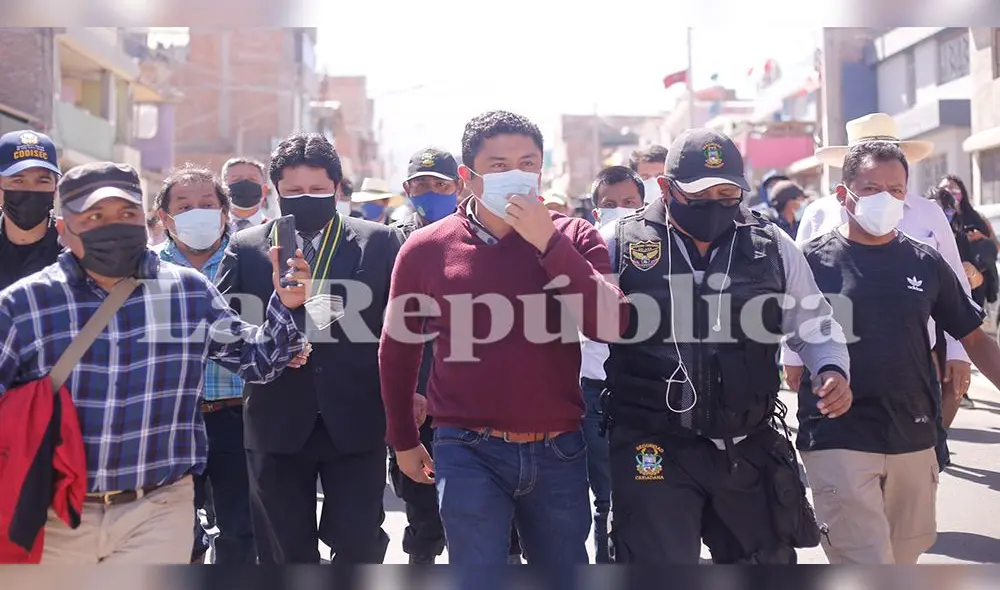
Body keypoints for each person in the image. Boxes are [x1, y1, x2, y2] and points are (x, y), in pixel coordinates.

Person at [0, 161, 309, 563]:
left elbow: (259, 361)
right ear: (64, 228)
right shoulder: (24, 305)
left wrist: (286, 306)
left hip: (159, 509)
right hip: (53, 511)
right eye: (95, 216)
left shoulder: (187, 292)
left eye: (126, 213)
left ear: (145, 221)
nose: (112, 225)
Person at [380, 110, 629, 565]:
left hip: (558, 445)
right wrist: (403, 439)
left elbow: (609, 324)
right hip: (465, 447)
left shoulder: (575, 235)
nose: (515, 175)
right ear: (467, 176)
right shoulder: (427, 248)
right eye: (497, 166)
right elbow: (398, 349)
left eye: (527, 163)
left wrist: (549, 244)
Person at [603, 128, 852, 565]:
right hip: (653, 448)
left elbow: (815, 324)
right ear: (665, 187)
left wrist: (831, 367)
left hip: (747, 445)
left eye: (727, 192)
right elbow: (578, 336)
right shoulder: (619, 243)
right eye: (699, 194)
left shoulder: (771, 245)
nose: (715, 204)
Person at [783, 141, 1000, 564]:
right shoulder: (808, 261)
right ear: (843, 195)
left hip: (913, 435)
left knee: (901, 563)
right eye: (871, 189)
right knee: (866, 565)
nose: (886, 199)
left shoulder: (925, 261)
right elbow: (779, 334)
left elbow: (975, 339)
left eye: (896, 190)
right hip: (836, 436)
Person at [215, 132, 399, 564]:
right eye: (293, 191)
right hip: (276, 420)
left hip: (356, 418)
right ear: (275, 191)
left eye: (317, 189)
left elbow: (405, 327)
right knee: (284, 554)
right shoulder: (245, 247)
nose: (306, 198)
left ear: (337, 187)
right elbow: (223, 326)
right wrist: (272, 342)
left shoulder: (379, 241)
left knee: (360, 547)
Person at [798, 113, 972, 471]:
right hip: (837, 358)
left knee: (916, 465)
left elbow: (955, 279)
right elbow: (797, 288)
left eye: (893, 188)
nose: (884, 197)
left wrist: (958, 352)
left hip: (912, 360)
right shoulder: (819, 213)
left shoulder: (929, 214)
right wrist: (792, 359)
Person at [157, 165, 282, 565]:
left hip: (237, 417)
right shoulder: (144, 271)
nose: (198, 213)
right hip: (172, 421)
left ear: (225, 213)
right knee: (174, 532)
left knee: (241, 530)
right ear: (165, 217)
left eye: (208, 205)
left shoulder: (255, 260)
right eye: (185, 205)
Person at [579, 165, 646, 563]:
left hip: (648, 387)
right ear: (595, 212)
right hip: (595, 388)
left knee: (649, 488)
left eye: (629, 203)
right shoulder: (585, 254)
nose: (620, 211)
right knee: (605, 493)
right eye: (609, 204)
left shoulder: (664, 255)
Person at [0, 130, 62, 292]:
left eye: (42, 181)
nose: (30, 191)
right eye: (18, 180)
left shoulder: (75, 250)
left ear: (55, 189)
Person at [222, 157, 270, 232]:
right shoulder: (215, 229)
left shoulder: (274, 230)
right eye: (237, 179)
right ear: (222, 190)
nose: (245, 183)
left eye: (252, 179)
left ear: (264, 190)